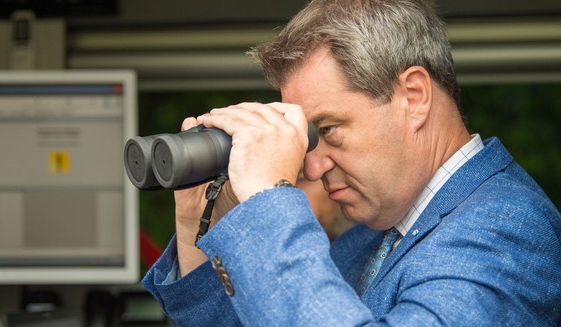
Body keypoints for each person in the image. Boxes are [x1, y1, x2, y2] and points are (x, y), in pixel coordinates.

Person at [142, 0, 561, 325]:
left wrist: (268, 204)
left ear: (413, 97)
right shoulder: (376, 232)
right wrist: (196, 223)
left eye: (327, 130)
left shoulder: (504, 232)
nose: (311, 167)